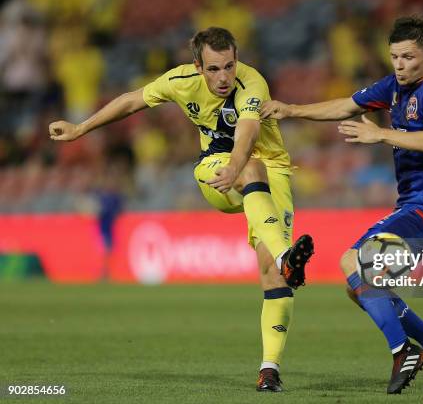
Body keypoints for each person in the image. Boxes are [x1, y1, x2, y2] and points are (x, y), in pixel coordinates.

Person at [48, 27, 314, 393]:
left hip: (271, 169)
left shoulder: (253, 83)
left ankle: (269, 370)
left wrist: (238, 167)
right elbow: (131, 100)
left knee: (273, 275)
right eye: (214, 69)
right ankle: (287, 254)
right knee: (251, 171)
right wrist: (81, 128)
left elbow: (248, 132)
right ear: (198, 67)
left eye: (229, 66)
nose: (223, 77)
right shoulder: (180, 80)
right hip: (215, 169)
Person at [262, 16, 423, 394]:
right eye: (394, 57)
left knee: (352, 262)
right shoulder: (394, 86)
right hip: (414, 207)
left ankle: (403, 350)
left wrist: (380, 134)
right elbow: (346, 105)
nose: (400, 65)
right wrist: (291, 110)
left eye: (408, 56)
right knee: (359, 286)